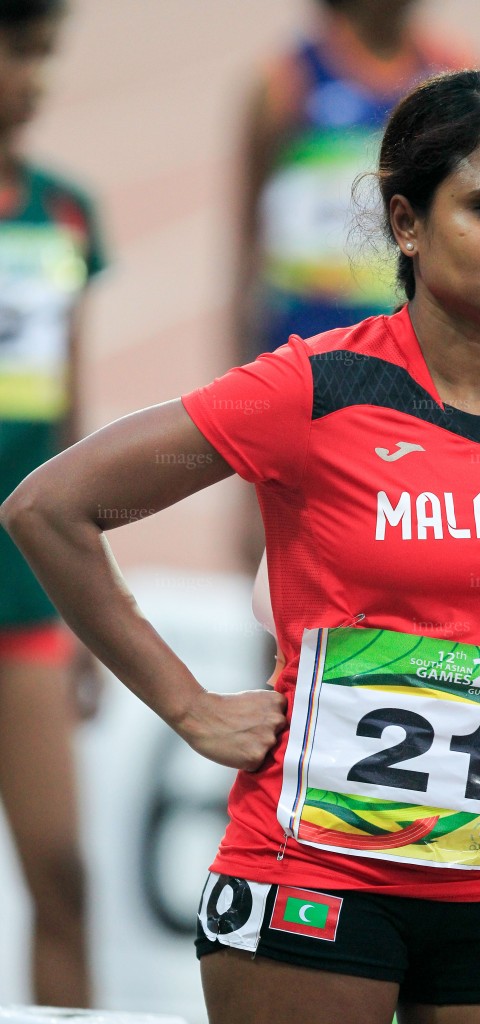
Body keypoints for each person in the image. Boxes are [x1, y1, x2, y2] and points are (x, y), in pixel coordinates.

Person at [0, 69, 480, 1024]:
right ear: (406, 223)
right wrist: (187, 707)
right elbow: (50, 509)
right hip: (313, 873)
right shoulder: (314, 390)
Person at [231, 0, 475, 573]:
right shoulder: (285, 83)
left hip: (420, 361)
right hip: (308, 364)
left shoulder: (455, 74)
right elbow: (247, 256)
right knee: (288, 576)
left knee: (414, 561)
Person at [0, 0, 106, 1006]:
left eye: (45, 53)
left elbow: (75, 427)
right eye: (18, 51)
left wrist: (87, 612)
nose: (36, 76)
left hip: (23, 591)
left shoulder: (64, 212)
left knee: (63, 879)